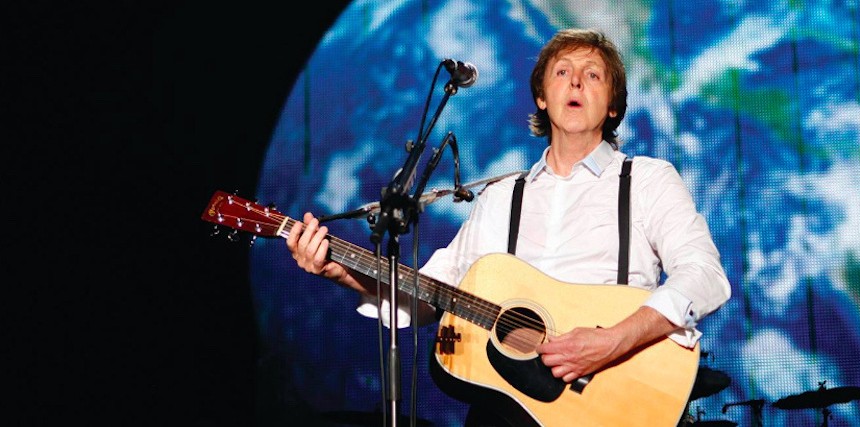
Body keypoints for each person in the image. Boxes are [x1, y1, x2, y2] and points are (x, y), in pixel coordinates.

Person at [286, 28, 731, 426]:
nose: (576, 81)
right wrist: (339, 270)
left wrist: (612, 341)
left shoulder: (648, 180)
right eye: (562, 72)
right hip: (508, 408)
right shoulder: (501, 197)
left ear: (613, 105)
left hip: (614, 399)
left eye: (593, 75)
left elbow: (705, 277)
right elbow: (431, 294)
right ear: (541, 96)